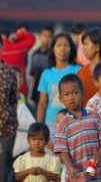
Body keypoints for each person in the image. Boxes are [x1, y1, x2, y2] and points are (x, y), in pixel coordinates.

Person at [53, 74, 101, 181]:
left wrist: (99, 155)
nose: (71, 97)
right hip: (76, 176)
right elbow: (63, 151)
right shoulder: (63, 124)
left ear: (83, 94)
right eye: (66, 94)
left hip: (97, 173)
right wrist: (69, 166)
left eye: (75, 93)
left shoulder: (94, 116)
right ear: (60, 99)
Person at [37, 33, 81, 138]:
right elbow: (42, 103)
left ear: (71, 49)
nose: (63, 49)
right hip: (51, 123)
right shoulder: (46, 73)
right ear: (53, 49)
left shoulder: (78, 70)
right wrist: (39, 126)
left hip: (74, 122)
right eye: (59, 45)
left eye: (66, 45)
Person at [0, 37, 18, 182]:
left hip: (7, 128)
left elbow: (14, 99)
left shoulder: (9, 71)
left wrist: (12, 123)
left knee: (4, 172)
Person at [0, 22, 36, 94]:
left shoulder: (2, 49)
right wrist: (17, 36)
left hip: (3, 91)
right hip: (20, 90)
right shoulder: (20, 48)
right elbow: (32, 38)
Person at [12, 66, 36, 158]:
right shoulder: (5, 96)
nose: (19, 79)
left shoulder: (22, 96)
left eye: (21, 77)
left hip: (23, 133)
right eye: (15, 77)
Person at [29, 25, 54, 106]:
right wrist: (31, 91)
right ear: (40, 36)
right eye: (44, 36)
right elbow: (33, 75)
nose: (46, 39)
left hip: (49, 91)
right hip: (36, 90)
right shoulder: (35, 54)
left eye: (49, 36)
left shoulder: (53, 54)